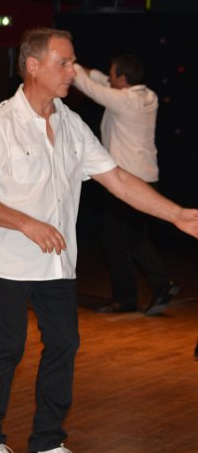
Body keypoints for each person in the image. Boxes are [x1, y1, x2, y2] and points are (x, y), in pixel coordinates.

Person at [0, 28, 198, 453]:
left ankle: (48, 443)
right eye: (64, 63)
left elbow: (118, 179)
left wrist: (178, 215)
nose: (73, 71)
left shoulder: (70, 123)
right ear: (33, 66)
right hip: (8, 258)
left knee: (64, 344)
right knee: (7, 347)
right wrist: (26, 223)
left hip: (56, 261)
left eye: (72, 62)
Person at [71, 54, 177, 315]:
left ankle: (127, 298)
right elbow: (98, 78)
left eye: (113, 74)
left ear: (123, 79)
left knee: (114, 238)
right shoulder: (148, 96)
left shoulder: (123, 101)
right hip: (147, 177)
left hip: (127, 181)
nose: (109, 77)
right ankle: (161, 284)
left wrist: (67, 64)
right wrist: (77, 64)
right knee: (132, 237)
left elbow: (89, 86)